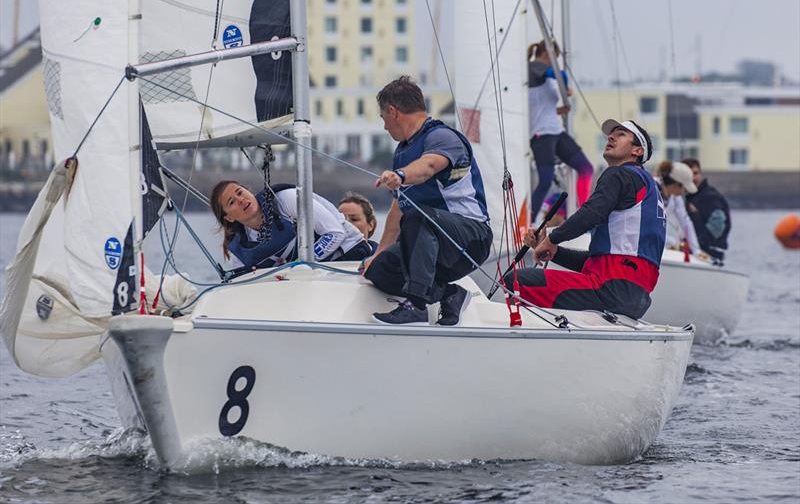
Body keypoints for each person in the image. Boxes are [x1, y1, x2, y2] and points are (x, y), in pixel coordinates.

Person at [363, 76, 493, 326]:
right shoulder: (402, 151)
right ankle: (451, 295)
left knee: (418, 216)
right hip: (430, 241)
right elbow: (396, 211)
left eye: (383, 118)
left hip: (470, 240)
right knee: (378, 270)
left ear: (393, 111)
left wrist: (400, 175)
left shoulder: (443, 137)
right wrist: (376, 254)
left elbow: (429, 166)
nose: (384, 127)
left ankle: (417, 307)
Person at [504, 119, 665, 319]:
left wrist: (552, 239)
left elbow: (592, 213)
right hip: (634, 298)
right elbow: (596, 262)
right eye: (611, 133)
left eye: (621, 134)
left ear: (637, 151)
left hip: (611, 289)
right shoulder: (647, 186)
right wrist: (553, 251)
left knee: (517, 281)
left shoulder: (620, 174)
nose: (611, 136)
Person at [210, 180, 371, 270]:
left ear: (249, 191)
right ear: (229, 218)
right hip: (309, 275)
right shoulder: (240, 249)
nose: (241, 200)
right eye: (232, 202)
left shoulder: (287, 199)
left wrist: (298, 264)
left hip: (350, 254)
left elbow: (336, 233)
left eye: (240, 192)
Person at [527, 40, 593, 223]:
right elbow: (560, 74)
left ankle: (584, 214)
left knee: (586, 169)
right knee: (545, 180)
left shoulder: (546, 76)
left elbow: (540, 105)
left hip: (556, 130)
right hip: (541, 135)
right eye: (555, 59)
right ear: (548, 55)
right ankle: (529, 221)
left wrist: (557, 110)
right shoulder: (533, 68)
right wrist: (563, 85)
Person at [681, 158, 731, 263]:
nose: (693, 177)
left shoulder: (710, 196)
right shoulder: (686, 197)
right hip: (695, 252)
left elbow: (718, 224)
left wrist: (698, 243)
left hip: (710, 253)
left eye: (696, 173)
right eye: (690, 174)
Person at [653, 160, 701, 254]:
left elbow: (685, 221)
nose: (685, 191)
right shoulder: (652, 190)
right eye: (684, 187)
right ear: (676, 184)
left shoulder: (674, 195)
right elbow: (650, 226)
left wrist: (696, 250)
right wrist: (673, 243)